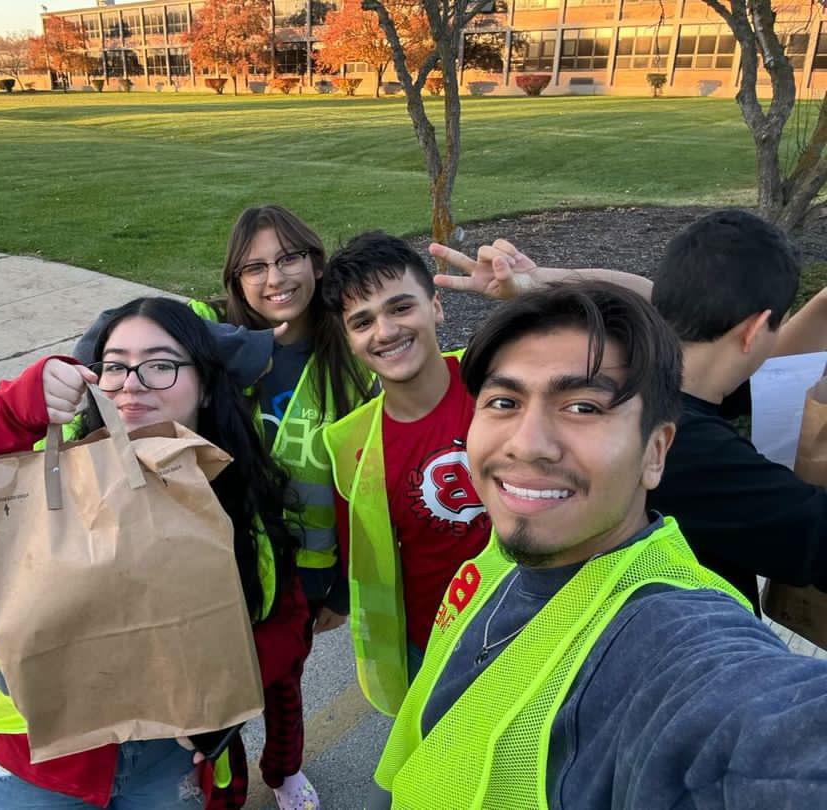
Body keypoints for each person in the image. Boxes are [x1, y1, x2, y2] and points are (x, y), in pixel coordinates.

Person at [369, 281, 827, 809]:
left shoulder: (667, 638)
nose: (527, 444)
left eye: (583, 407)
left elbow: (762, 733)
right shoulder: (503, 550)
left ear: (656, 453)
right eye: (504, 401)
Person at [0, 297, 311, 810]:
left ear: (205, 385)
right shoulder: (33, 477)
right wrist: (11, 411)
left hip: (165, 760)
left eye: (161, 365)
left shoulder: (235, 492)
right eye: (115, 366)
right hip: (32, 767)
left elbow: (286, 622)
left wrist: (223, 702)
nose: (132, 383)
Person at [433, 209, 827, 609]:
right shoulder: (694, 448)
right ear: (755, 330)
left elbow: (651, 295)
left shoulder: (635, 388)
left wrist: (542, 280)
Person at [196, 205, 375, 810]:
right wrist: (243, 347)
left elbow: (361, 487)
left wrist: (341, 591)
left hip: (303, 573)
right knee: (214, 692)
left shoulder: (350, 355)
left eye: (289, 258)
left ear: (315, 264)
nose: (275, 278)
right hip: (217, 562)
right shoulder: (209, 336)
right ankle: (225, 791)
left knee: (283, 682)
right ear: (235, 279)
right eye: (255, 267)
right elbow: (113, 336)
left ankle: (284, 769)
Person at [319, 232, 493, 718]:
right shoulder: (351, 445)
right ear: (349, 340)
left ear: (436, 306)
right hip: (434, 651)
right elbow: (366, 566)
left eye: (400, 307)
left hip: (546, 627)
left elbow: (644, 326)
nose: (385, 331)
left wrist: (537, 288)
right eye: (362, 321)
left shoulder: (500, 378)